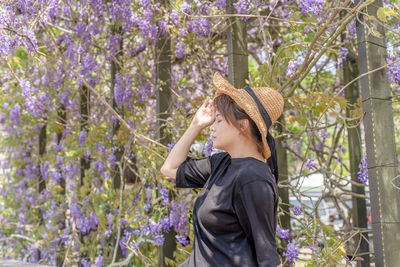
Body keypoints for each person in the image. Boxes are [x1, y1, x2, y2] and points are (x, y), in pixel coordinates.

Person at [161, 72, 284, 267]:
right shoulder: (222, 163)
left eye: (218, 120)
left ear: (242, 125)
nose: (212, 127)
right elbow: (169, 168)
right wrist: (195, 125)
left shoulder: (253, 178)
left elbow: (267, 257)